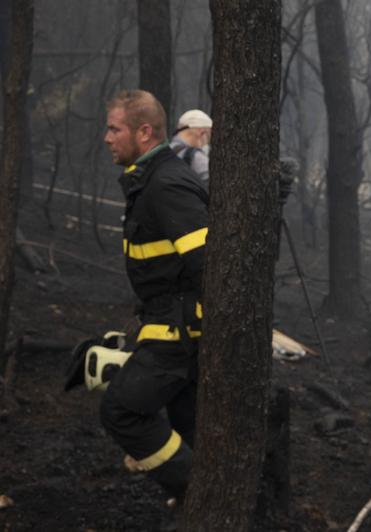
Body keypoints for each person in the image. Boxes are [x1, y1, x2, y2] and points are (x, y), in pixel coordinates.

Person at [101, 89, 208, 500]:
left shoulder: (165, 185)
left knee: (121, 411)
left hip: (177, 338)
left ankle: (199, 493)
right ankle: (198, 504)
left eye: (115, 129)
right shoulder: (150, 181)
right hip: (169, 328)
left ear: (144, 132)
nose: (107, 138)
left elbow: (209, 265)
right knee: (188, 426)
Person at [170, 109, 212, 181]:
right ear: (201, 132)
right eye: (208, 136)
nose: (207, 143)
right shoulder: (197, 158)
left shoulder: (163, 150)